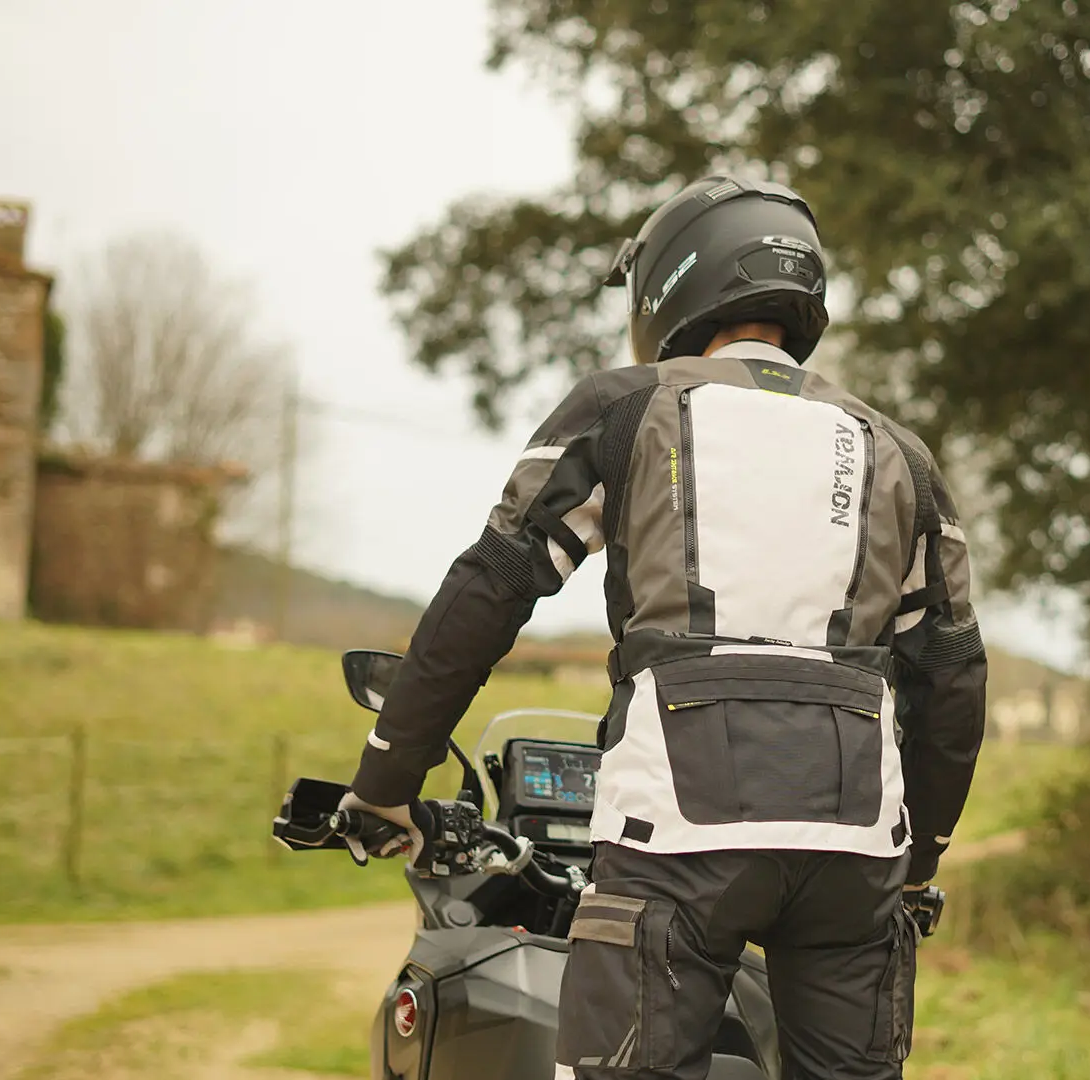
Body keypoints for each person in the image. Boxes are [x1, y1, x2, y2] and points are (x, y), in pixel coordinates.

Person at [343, 175, 988, 1080]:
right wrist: (917, 865)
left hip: (677, 838)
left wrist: (385, 779)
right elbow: (953, 676)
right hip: (854, 852)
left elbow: (492, 587)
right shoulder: (899, 453)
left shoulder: (626, 406)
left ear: (671, 285)